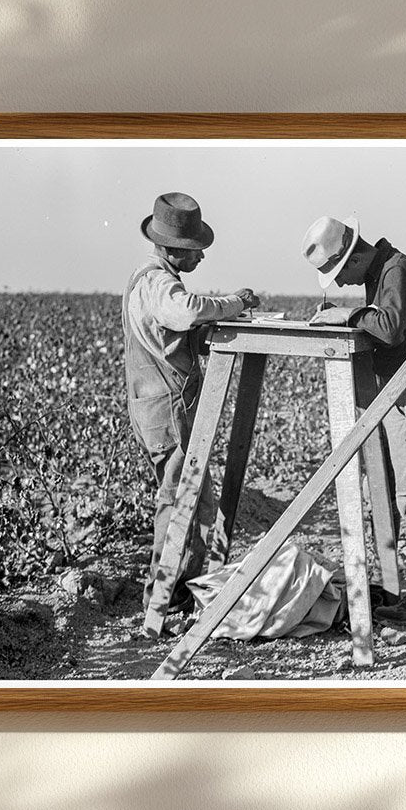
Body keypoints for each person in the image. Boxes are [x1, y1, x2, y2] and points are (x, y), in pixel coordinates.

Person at [301, 215, 406, 625]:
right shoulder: (381, 271)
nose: (342, 283)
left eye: (339, 274)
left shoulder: (395, 269)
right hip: (401, 391)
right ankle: (400, 586)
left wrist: (348, 315)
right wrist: (352, 313)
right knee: (390, 488)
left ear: (352, 258)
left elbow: (390, 327)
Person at [125, 192, 259, 624]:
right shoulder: (158, 284)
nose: (200, 256)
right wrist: (235, 303)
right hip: (168, 411)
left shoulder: (148, 279)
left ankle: (181, 591)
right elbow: (185, 311)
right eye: (195, 250)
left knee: (193, 498)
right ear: (172, 249)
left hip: (157, 406)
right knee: (178, 501)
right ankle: (160, 600)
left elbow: (171, 335)